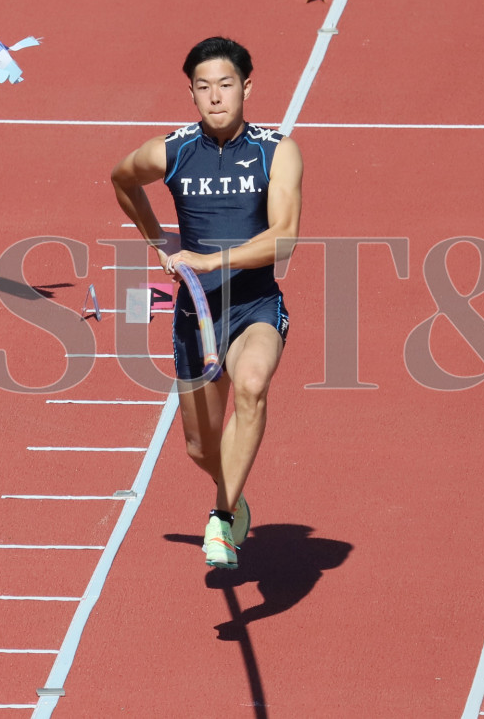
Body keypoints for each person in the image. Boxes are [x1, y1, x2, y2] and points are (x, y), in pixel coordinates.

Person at [111, 36, 303, 570]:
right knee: (201, 448)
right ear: (191, 94)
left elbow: (283, 238)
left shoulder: (276, 150)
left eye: (225, 84)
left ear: (246, 87)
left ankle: (220, 519)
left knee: (252, 384)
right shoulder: (172, 152)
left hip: (255, 305)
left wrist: (209, 260)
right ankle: (233, 498)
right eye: (203, 87)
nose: (215, 96)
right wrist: (158, 242)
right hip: (196, 316)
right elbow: (122, 179)